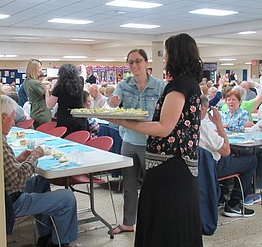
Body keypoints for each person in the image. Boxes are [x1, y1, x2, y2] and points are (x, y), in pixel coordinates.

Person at [108, 34, 203, 246]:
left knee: (165, 221)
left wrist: (121, 121)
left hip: (170, 166)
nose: (165, 57)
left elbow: (164, 127)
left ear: (177, 55)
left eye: (167, 52)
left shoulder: (178, 86)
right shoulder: (187, 84)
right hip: (174, 165)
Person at [1, 95, 78, 247]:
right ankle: (60, 243)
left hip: (4, 193)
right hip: (11, 201)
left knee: (40, 181)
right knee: (67, 198)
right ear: (3, 117)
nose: (13, 123)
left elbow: (5, 169)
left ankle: (46, 235)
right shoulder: (0, 143)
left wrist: (19, 159)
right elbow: (18, 179)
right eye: (12, 119)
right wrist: (34, 157)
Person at [108, 48, 166, 236]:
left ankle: (155, 223)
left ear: (146, 63)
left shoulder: (160, 86)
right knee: (129, 186)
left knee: (152, 187)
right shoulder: (124, 85)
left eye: (138, 61)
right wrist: (113, 101)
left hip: (151, 143)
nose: (134, 65)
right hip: (129, 141)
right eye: (131, 62)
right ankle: (128, 223)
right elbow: (113, 102)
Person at [199, 95, 256, 217]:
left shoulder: (187, 125)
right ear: (202, 109)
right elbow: (226, 151)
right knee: (252, 160)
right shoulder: (204, 126)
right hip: (212, 167)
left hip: (200, 167)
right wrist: (219, 124)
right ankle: (235, 203)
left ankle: (222, 196)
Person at [45, 63, 88, 137]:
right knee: (80, 139)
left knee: (66, 140)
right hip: (79, 117)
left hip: (65, 118)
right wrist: (82, 67)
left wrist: (46, 90)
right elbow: (84, 73)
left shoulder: (59, 86)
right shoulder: (80, 81)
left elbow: (49, 105)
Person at [23, 59, 51, 129]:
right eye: (39, 68)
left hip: (34, 111)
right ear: (34, 69)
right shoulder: (35, 83)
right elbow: (48, 94)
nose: (41, 70)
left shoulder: (26, 82)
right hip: (42, 112)